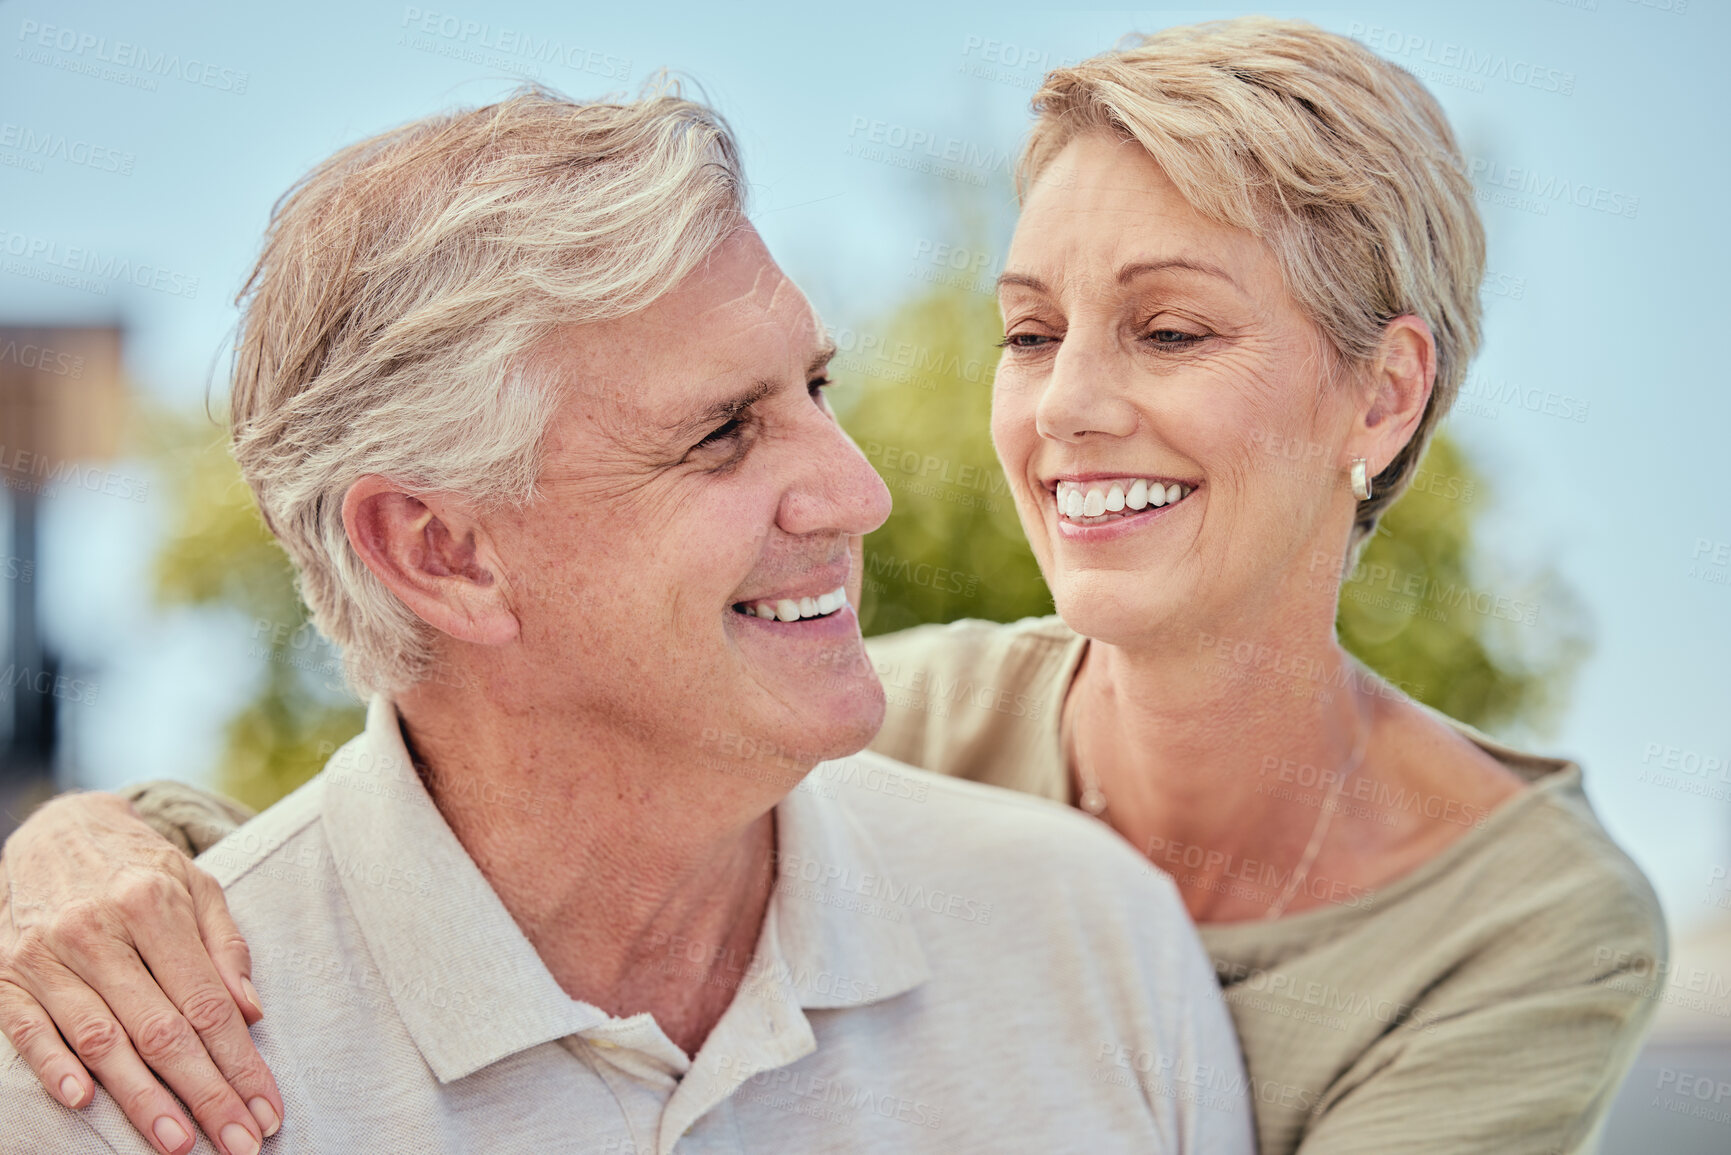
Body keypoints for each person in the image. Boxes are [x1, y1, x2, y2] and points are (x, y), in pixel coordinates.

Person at [0, 16, 1667, 1155]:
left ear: (1382, 398)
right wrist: (93, 840)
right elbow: (458, 814)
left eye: (1170, 330)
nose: (1064, 407)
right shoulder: (889, 707)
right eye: (1029, 332)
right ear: (436, 547)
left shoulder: (1435, 928)